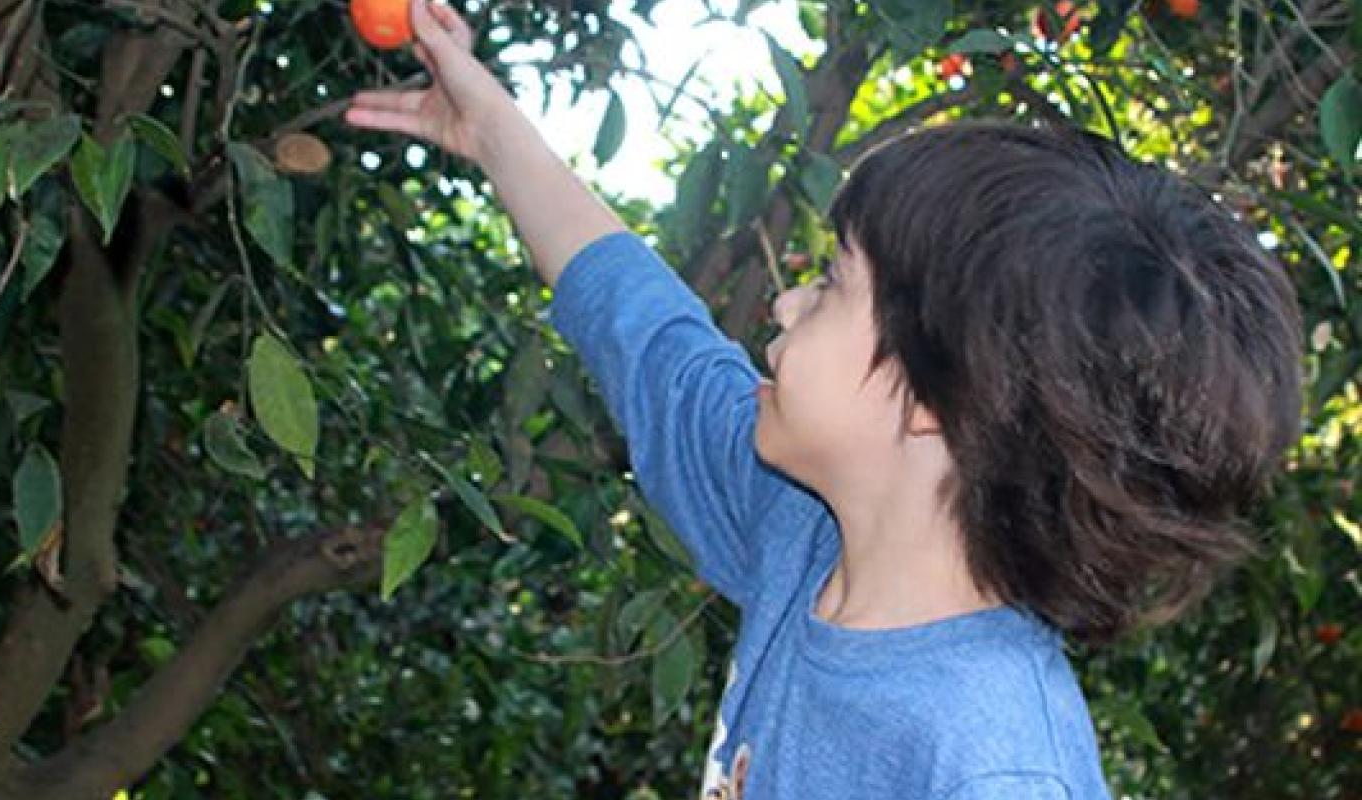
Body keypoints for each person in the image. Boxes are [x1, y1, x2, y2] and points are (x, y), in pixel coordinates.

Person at [344, 2, 1304, 798]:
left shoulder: (993, 763)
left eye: (836, 283)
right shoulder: (801, 537)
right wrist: (495, 130)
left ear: (940, 395)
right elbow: (649, 342)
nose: (787, 300)